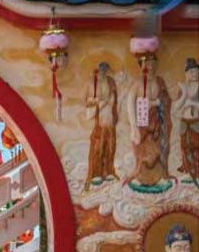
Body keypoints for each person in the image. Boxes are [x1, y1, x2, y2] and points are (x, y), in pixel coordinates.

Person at [125, 56, 172, 191]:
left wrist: (159, 103)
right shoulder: (137, 83)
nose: (149, 67)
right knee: (142, 152)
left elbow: (166, 100)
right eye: (146, 64)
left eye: (152, 63)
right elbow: (130, 104)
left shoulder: (159, 82)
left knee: (156, 152)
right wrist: (133, 127)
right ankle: (140, 177)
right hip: (141, 124)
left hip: (156, 123)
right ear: (140, 66)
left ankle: (158, 177)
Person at [85, 62, 118, 189]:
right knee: (98, 145)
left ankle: (108, 171)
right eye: (101, 70)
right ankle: (96, 173)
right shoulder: (92, 83)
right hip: (100, 117)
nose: (103, 72)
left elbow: (115, 97)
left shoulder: (111, 82)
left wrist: (112, 101)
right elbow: (88, 100)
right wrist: (99, 102)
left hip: (109, 117)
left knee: (110, 145)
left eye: (105, 70)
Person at [175, 58, 199, 177]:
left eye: (196, 71)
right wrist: (184, 94)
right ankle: (187, 167)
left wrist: (192, 104)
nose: (195, 74)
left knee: (196, 145)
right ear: (186, 73)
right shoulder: (183, 87)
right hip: (184, 121)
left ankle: (196, 170)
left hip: (196, 122)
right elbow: (176, 106)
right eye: (191, 72)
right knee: (185, 145)